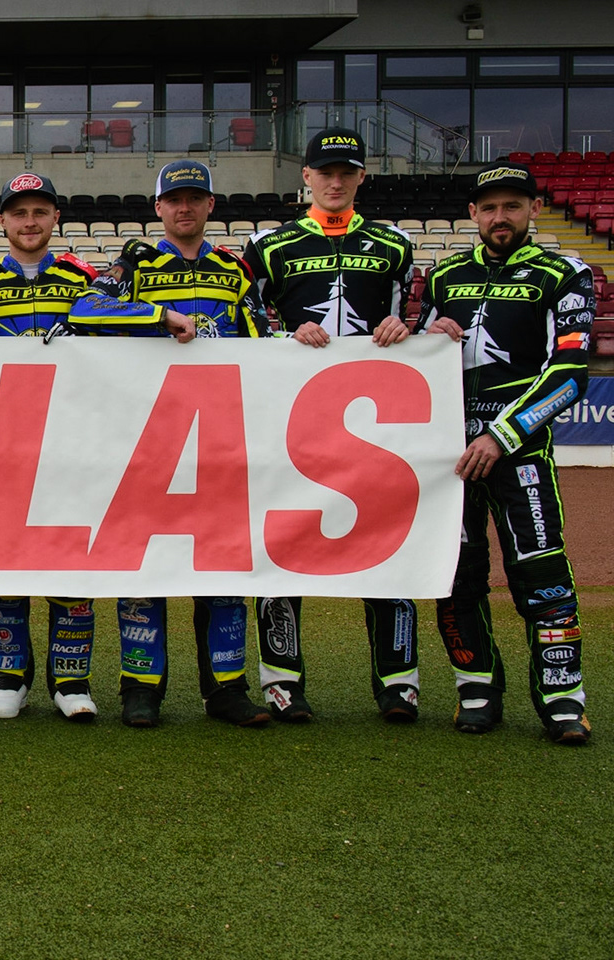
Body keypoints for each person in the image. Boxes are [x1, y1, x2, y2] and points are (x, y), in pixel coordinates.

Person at [0, 170, 194, 724]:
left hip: (74, 442)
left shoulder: (82, 275)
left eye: (40, 211)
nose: (29, 221)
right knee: (4, 562)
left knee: (74, 563)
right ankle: (9, 678)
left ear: (56, 219)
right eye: (18, 212)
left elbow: (104, 317)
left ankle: (71, 679)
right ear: (2, 220)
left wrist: (159, 316)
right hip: (5, 442)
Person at [241, 128, 423, 725]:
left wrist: (407, 331)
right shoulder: (269, 245)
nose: (336, 181)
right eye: (325, 172)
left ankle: (399, 684)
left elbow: (408, 323)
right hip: (291, 422)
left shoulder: (394, 244)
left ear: (362, 177)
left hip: (375, 427)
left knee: (388, 544)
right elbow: (250, 328)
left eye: (347, 171)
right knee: (281, 546)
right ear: (306, 177)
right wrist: (282, 335)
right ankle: (283, 682)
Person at [89, 159, 273, 729]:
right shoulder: (134, 262)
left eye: (195, 198)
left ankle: (227, 688)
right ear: (158, 208)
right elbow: (86, 308)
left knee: (223, 567)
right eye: (175, 199)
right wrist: (159, 316)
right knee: (143, 566)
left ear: (211, 206)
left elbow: (264, 340)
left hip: (220, 438)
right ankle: (140, 688)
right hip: (147, 438)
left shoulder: (235, 268)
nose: (185, 208)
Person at [421, 160, 594, 744]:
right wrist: (421, 335)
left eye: (512, 206)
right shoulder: (444, 276)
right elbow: (411, 368)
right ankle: (476, 689)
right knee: (457, 576)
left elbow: (570, 376)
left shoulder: (564, 273)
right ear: (472, 214)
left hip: (517, 455)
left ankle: (563, 699)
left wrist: (500, 436)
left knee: (541, 574)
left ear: (533, 211)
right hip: (450, 460)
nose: (500, 217)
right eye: (489, 207)